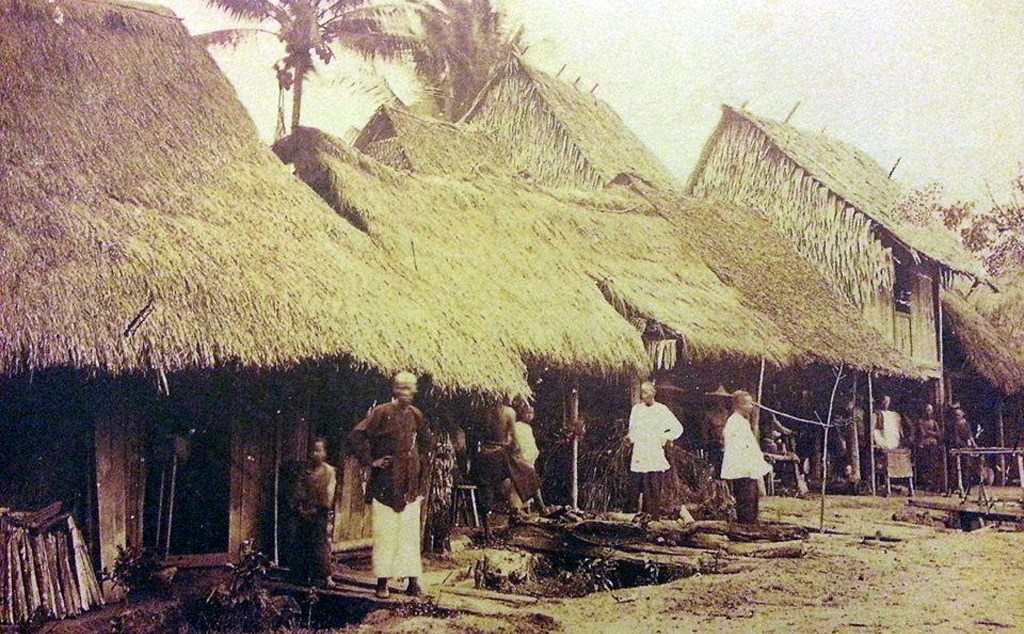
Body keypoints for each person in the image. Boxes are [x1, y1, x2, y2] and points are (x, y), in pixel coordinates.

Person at [348, 372, 432, 599]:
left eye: (412, 388)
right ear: (395, 389)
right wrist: (371, 461)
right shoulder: (381, 412)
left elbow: (426, 443)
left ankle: (413, 581)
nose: (410, 392)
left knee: (409, 533)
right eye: (405, 388)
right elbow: (357, 435)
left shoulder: (416, 415)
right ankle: (382, 582)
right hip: (386, 481)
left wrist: (416, 464)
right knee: (386, 532)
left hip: (409, 483)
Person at [474, 400, 540, 534]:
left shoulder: (481, 411)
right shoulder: (509, 412)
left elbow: (476, 435)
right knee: (528, 472)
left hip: (482, 455)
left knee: (486, 489)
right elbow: (515, 443)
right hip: (499, 454)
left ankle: (487, 529)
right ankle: (538, 507)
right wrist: (514, 449)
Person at [626, 381, 684, 519]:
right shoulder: (637, 410)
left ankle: (653, 520)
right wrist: (630, 439)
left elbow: (677, 428)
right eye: (642, 393)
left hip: (654, 453)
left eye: (646, 392)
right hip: (639, 453)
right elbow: (632, 429)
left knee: (653, 488)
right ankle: (632, 520)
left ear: (653, 393)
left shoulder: (662, 410)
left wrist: (664, 438)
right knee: (635, 489)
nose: (643, 395)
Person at [290, 437, 337, 587]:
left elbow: (329, 495)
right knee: (302, 542)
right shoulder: (306, 471)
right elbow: (299, 490)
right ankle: (302, 575)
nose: (315, 454)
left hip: (320, 512)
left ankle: (326, 576)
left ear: (324, 453)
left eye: (319, 450)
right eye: (313, 451)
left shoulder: (329, 472)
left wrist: (318, 508)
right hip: (305, 511)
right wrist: (301, 508)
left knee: (320, 544)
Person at [721, 390, 771, 524]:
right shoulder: (734, 422)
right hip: (742, 468)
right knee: (746, 499)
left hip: (748, 468)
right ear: (740, 405)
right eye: (749, 404)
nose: (751, 407)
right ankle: (745, 526)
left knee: (752, 498)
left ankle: (750, 524)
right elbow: (739, 448)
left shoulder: (741, 421)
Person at [915, 403, 944, 490]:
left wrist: (931, 433)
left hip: (933, 445)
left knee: (933, 464)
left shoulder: (934, 422)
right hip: (924, 445)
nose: (928, 412)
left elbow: (939, 434)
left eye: (930, 410)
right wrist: (931, 433)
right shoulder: (920, 421)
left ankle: (934, 483)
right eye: (927, 410)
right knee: (925, 465)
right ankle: (926, 483)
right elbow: (922, 433)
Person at [514, 404, 540, 468]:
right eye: (527, 413)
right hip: (522, 460)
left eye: (531, 413)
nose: (529, 415)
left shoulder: (529, 428)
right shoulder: (517, 426)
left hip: (530, 461)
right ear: (522, 414)